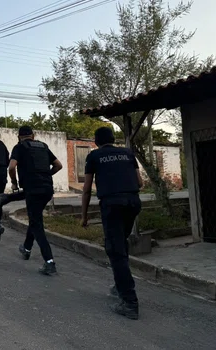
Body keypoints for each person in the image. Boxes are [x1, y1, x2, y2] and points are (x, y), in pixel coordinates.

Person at [80, 127, 143, 320]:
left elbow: (87, 189)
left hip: (112, 205)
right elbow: (140, 182)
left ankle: (130, 302)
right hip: (133, 203)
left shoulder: (94, 156)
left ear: (96, 141)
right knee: (120, 245)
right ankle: (119, 284)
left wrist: (84, 217)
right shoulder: (127, 153)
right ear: (113, 139)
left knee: (115, 250)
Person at [8, 126, 63, 275]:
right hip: (47, 190)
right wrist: (47, 176)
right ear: (33, 135)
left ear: (19, 136)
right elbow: (59, 165)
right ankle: (26, 248)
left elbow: (11, 167)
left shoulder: (19, 147)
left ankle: (49, 262)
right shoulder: (43, 146)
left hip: (32, 190)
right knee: (35, 218)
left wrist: (14, 182)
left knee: (37, 224)